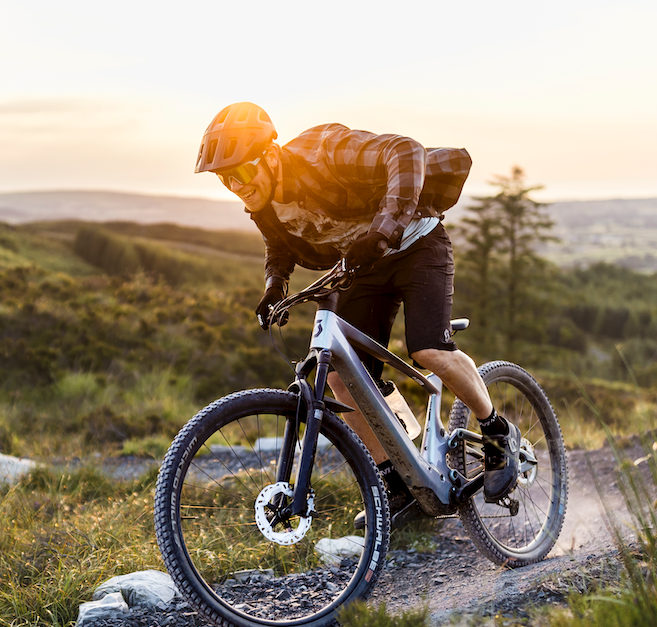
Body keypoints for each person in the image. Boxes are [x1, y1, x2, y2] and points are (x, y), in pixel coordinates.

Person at [193, 102, 521, 512]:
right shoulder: (262, 200)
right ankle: (393, 482)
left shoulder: (323, 149)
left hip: (416, 242)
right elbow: (278, 241)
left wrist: (383, 230)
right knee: (341, 378)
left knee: (428, 350)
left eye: (240, 171)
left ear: (271, 155)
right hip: (362, 265)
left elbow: (405, 151)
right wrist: (275, 283)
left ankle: (497, 432)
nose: (236, 185)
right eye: (226, 179)